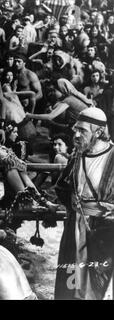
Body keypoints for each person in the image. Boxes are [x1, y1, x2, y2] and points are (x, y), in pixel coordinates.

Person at [54, 107, 114, 300]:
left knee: (99, 285)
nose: (76, 135)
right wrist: (70, 197)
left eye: (83, 131)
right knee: (73, 283)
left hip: (105, 231)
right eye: (76, 129)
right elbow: (62, 186)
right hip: (76, 227)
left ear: (98, 132)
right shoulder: (77, 155)